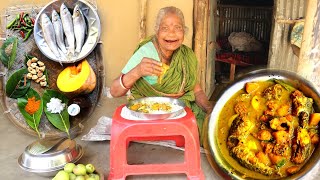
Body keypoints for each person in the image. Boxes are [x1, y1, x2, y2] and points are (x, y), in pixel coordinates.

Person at [110, 6, 213, 144]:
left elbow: (197, 90)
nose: (172, 34)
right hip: (150, 116)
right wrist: (137, 71)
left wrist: (209, 108)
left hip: (180, 111)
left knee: (208, 131)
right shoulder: (146, 52)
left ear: (184, 32)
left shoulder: (186, 55)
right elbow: (115, 91)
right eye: (165, 28)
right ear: (157, 31)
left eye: (178, 28)